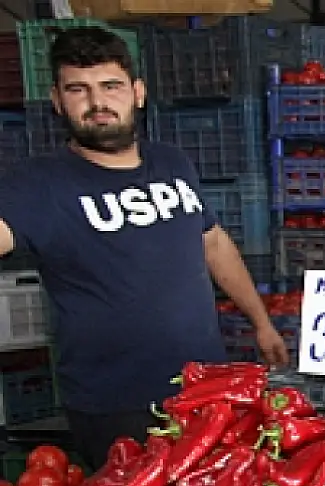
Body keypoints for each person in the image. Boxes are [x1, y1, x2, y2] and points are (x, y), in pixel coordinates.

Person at [0, 28, 286, 463]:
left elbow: (213, 244)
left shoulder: (173, 162)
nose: (97, 103)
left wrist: (261, 323)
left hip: (205, 386)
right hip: (116, 405)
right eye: (79, 89)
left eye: (110, 86)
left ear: (137, 93)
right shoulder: (37, 183)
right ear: (58, 101)